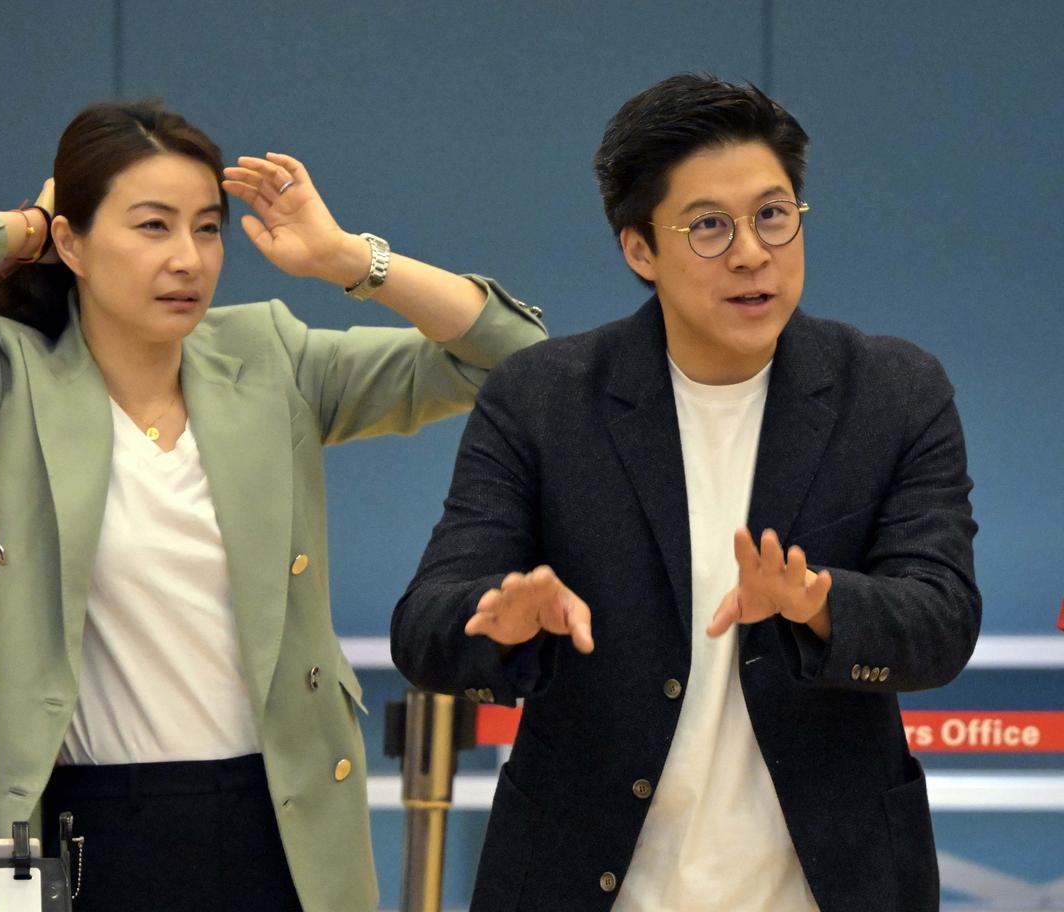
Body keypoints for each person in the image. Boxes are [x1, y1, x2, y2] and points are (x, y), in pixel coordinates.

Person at [0, 99, 545, 911]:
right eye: (153, 226)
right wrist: (28, 225)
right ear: (73, 243)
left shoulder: (270, 357)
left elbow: (513, 359)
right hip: (84, 830)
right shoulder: (5, 383)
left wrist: (347, 258)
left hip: (276, 821)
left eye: (208, 229)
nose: (187, 258)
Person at [391, 73, 980, 912]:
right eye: (708, 226)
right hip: (588, 883)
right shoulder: (544, 398)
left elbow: (942, 622)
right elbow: (424, 625)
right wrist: (499, 616)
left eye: (772, 214)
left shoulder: (892, 392)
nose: (751, 253)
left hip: (829, 886)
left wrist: (819, 603)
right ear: (640, 249)